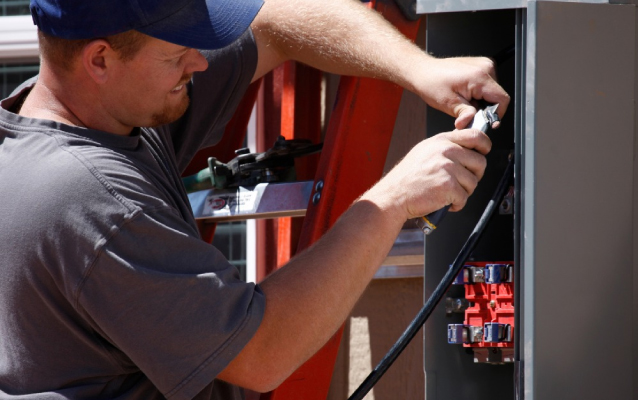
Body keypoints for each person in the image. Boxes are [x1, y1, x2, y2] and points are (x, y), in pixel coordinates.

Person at [0, 0, 510, 399]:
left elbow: (274, 20)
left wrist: (417, 70)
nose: (199, 63)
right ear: (100, 59)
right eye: (179, 53)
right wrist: (393, 201)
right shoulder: (92, 199)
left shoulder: (87, 113)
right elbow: (261, 352)